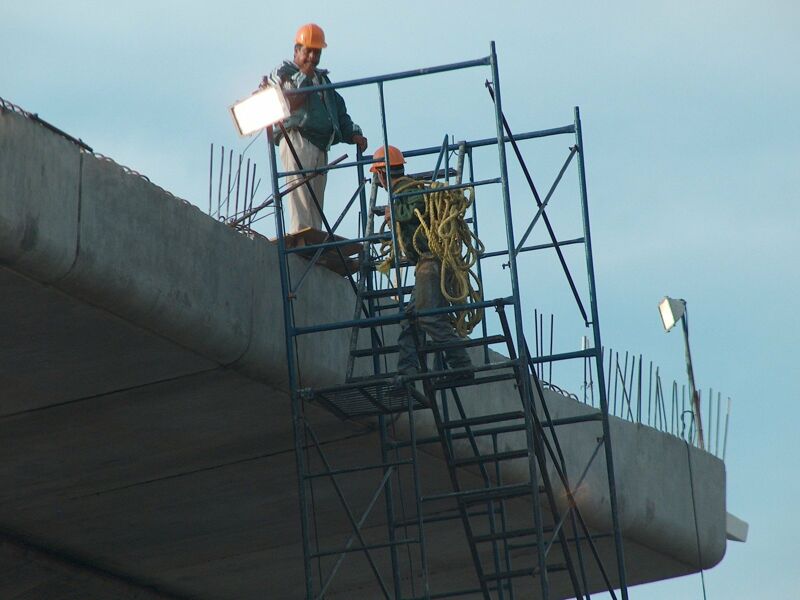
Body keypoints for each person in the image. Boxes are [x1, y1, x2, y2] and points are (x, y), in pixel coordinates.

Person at [371, 145, 473, 383]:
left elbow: (418, 207)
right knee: (411, 319)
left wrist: (394, 214)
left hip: (431, 261)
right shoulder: (402, 191)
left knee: (429, 317)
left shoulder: (407, 189)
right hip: (425, 264)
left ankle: (461, 367)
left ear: (381, 174)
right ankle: (408, 373)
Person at [263, 23, 368, 234]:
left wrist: (353, 133)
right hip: (298, 139)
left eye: (316, 52)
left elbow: (338, 112)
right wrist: (304, 75)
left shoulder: (323, 79)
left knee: (315, 200)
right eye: (307, 51)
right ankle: (301, 236)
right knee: (300, 194)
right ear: (296, 50)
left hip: (320, 145)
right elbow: (288, 102)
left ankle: (313, 238)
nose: (312, 56)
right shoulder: (283, 72)